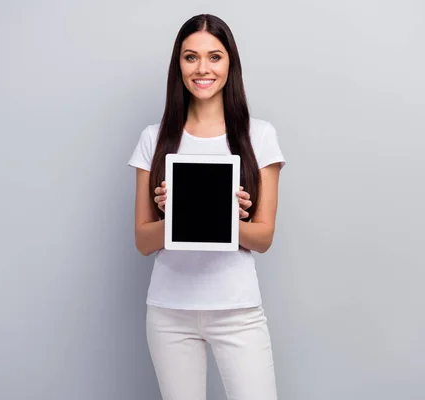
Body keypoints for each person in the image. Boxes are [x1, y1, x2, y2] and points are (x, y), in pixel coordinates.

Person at [127, 13, 285, 400]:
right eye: (190, 57)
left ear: (230, 63)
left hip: (237, 310)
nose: (202, 69)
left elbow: (262, 237)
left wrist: (220, 215)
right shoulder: (154, 138)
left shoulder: (258, 136)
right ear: (177, 65)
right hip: (169, 311)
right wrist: (180, 214)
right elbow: (144, 241)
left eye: (214, 57)